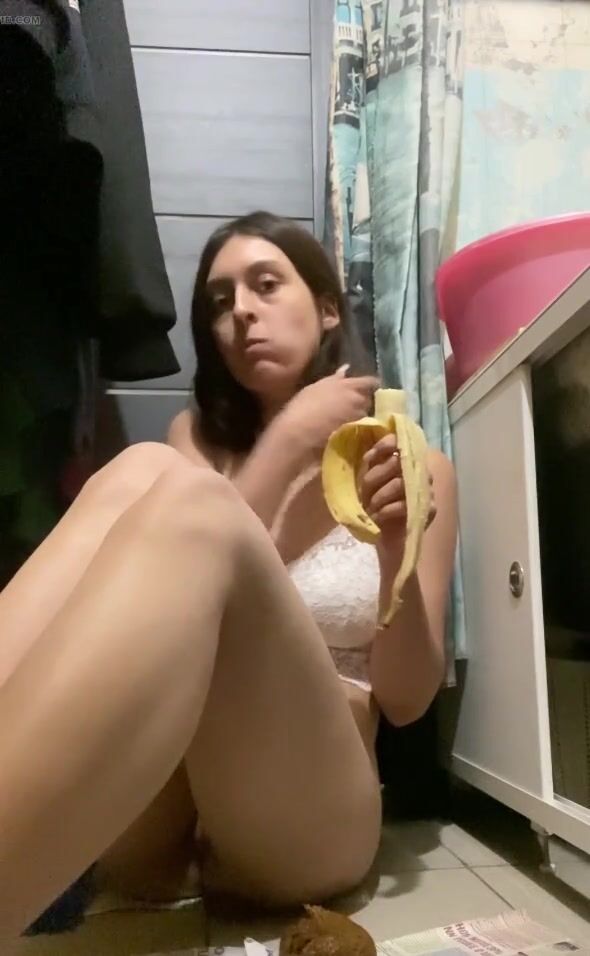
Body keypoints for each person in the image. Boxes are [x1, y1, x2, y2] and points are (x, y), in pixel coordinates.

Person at [0, 212, 456, 950]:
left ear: (327, 308)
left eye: (265, 285)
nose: (240, 310)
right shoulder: (192, 443)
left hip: (304, 812)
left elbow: (405, 702)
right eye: (218, 301)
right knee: (144, 470)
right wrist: (290, 438)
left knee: (189, 499)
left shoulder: (410, 465)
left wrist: (395, 548)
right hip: (154, 813)